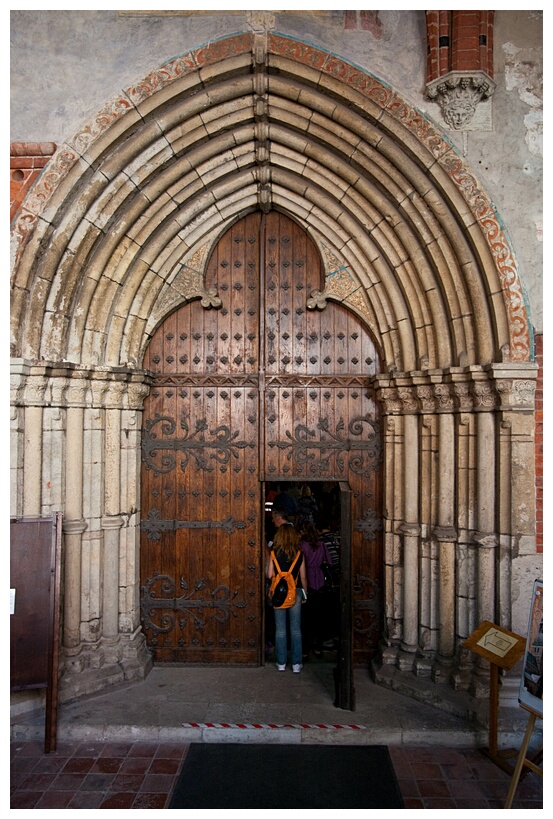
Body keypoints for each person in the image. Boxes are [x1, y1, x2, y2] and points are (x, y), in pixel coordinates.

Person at [267, 514, 307, 673]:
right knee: (296, 629)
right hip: (295, 592)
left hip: (278, 593)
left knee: (280, 629)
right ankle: (296, 664)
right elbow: (303, 576)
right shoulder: (299, 554)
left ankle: (281, 663)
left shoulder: (274, 554)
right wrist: (305, 594)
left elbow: (270, 575)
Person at [297, 520, 334, 658]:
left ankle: (305, 650)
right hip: (320, 583)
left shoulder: (302, 546)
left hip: (307, 583)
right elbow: (329, 562)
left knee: (306, 619)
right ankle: (318, 647)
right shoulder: (322, 545)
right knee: (319, 618)